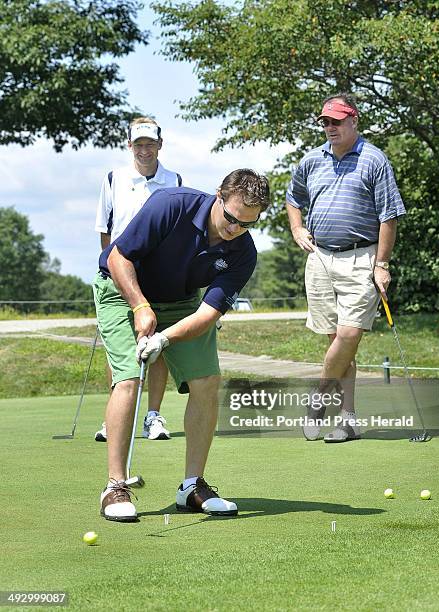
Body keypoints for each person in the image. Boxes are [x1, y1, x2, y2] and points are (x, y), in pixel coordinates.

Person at [93, 169, 270, 521]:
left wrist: (164, 337)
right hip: (122, 290)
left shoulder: (243, 253)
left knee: (207, 380)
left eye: (246, 224)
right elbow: (117, 258)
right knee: (128, 378)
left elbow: (207, 313)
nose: (234, 229)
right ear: (218, 195)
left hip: (181, 303)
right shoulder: (170, 205)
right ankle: (114, 487)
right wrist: (140, 307)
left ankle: (192, 486)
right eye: (231, 218)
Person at [286, 93, 406, 442]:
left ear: (354, 120)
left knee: (349, 335)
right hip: (320, 258)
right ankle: (348, 419)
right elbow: (293, 199)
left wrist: (382, 264)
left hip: (361, 258)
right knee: (338, 344)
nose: (330, 127)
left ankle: (318, 400)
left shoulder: (374, 160)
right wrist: (297, 228)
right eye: (325, 121)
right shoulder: (311, 160)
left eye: (337, 121)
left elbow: (389, 216)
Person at [94, 116, 182, 443]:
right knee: (119, 350)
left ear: (160, 144)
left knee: (155, 344)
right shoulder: (113, 178)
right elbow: (105, 231)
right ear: (129, 145)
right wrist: (115, 269)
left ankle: (152, 416)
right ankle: (114, 417)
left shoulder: (174, 180)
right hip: (120, 273)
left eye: (150, 143)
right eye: (139, 144)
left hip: (157, 274)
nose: (145, 150)